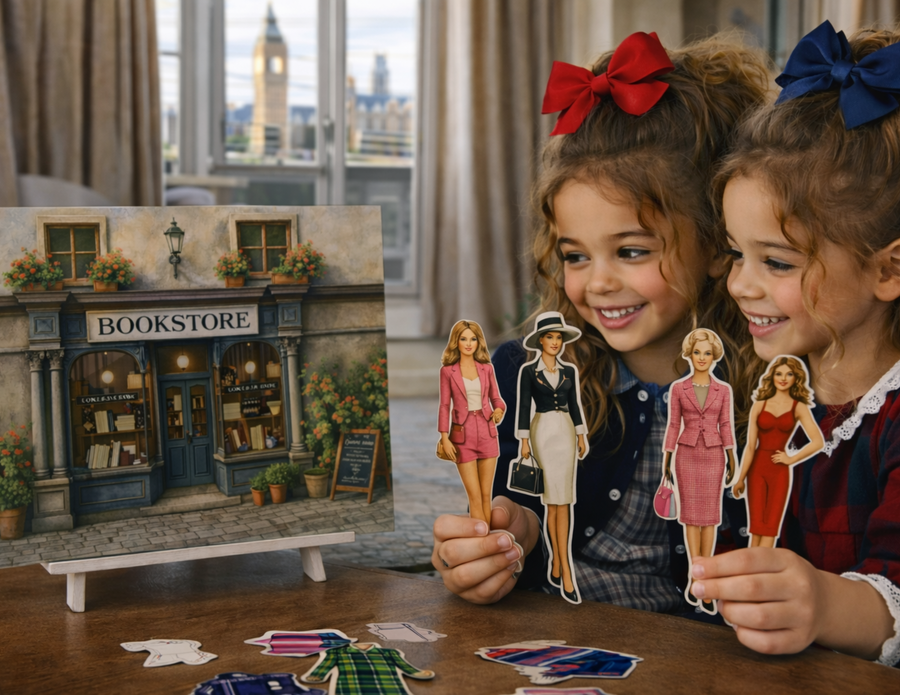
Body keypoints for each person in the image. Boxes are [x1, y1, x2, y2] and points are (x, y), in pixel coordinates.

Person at [432, 31, 770, 613]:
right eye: (574, 255)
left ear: (718, 246)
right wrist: (502, 543)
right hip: (563, 638)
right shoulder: (518, 374)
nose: (598, 283)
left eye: (632, 251)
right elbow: (521, 522)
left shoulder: (770, 384)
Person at [707, 21, 900, 665]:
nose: (739, 285)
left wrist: (819, 602)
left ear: (888, 270)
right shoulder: (767, 378)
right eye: (737, 254)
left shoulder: (892, 417)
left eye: (778, 263)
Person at [514, 311, 587, 603]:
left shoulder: (569, 371)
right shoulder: (529, 372)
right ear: (540, 340)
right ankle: (563, 567)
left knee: (565, 500)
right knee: (551, 502)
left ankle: (560, 562)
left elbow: (575, 404)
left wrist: (581, 434)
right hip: (542, 431)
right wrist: (523, 441)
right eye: (550, 337)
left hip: (566, 432)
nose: (555, 342)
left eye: (558, 337)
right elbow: (522, 407)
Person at [662, 328, 736, 614]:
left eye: (707, 353)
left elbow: (726, 425)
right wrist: (667, 458)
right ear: (689, 355)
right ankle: (697, 574)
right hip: (687, 452)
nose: (702, 358)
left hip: (714, 453)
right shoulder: (679, 388)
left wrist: (731, 458)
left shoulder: (723, 390)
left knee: (710, 518)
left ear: (714, 356)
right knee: (690, 517)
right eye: (697, 352)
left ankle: (704, 575)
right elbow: (673, 424)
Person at [731, 356, 824, 549]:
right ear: (771, 376)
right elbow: (750, 446)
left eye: (789, 374)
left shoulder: (798, 406)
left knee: (771, 525)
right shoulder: (760, 404)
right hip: (757, 468)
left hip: (780, 470)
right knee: (756, 525)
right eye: (779, 373)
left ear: (796, 378)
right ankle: (751, 569)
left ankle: (759, 573)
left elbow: (817, 441)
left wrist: (791, 458)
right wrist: (740, 478)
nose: (783, 378)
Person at [438, 319, 506, 524]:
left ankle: (488, 540)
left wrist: (499, 410)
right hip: (462, 435)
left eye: (473, 339)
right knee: (474, 496)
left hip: (487, 431)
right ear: (456, 342)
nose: (469, 343)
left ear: (479, 342)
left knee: (487, 495)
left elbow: (497, 398)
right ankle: (483, 541)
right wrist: (445, 438)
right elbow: (444, 406)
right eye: (463, 339)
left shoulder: (487, 369)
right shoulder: (447, 371)